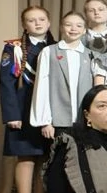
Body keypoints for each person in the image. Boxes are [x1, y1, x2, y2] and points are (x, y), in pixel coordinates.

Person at [0, 5, 54, 193]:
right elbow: (6, 83)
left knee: (44, 158)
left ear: (49, 22)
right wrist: (12, 114)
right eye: (31, 20)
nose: (37, 23)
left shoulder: (56, 47)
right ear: (24, 24)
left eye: (41, 19)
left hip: (48, 112)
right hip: (22, 111)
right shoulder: (13, 48)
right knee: (26, 157)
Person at [30, 12, 94, 140]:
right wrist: (45, 122)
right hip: (58, 121)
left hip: (86, 121)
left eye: (79, 25)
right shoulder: (49, 52)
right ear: (61, 28)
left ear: (84, 30)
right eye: (68, 25)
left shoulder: (91, 55)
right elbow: (41, 87)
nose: (73, 29)